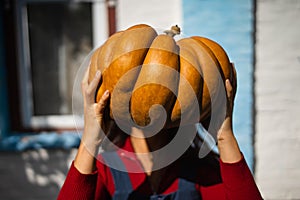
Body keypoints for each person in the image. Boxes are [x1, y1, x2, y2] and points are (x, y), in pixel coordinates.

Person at [57, 68, 263, 200]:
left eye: (162, 87)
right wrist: (90, 139)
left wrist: (224, 134)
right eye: (139, 85)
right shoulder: (105, 169)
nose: (150, 100)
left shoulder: (200, 170)